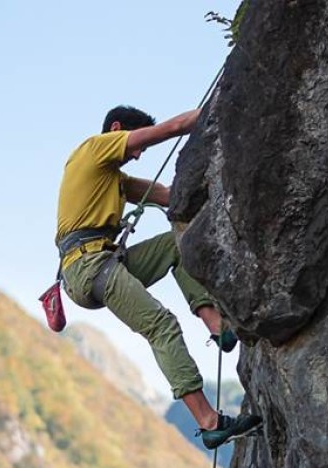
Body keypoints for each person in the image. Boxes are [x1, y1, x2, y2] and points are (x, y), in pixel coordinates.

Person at [55, 105, 261, 450]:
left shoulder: (115, 181)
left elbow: (168, 196)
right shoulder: (93, 149)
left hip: (100, 264)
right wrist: (222, 105)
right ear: (118, 130)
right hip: (88, 266)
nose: (137, 155)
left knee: (178, 243)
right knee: (161, 325)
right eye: (137, 146)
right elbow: (173, 127)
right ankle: (209, 422)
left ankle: (217, 325)